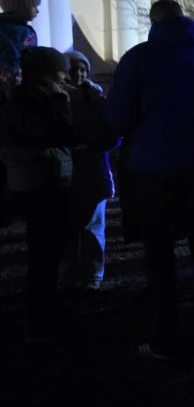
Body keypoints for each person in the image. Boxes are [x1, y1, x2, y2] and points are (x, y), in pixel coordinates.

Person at [105, 0, 194, 359]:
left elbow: (117, 116)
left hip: (154, 168)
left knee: (160, 252)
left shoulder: (138, 58)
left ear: (154, 21)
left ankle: (166, 335)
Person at [0, 47, 74, 338]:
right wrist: (60, 103)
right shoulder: (31, 104)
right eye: (60, 72)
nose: (65, 77)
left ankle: (45, 306)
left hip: (36, 180)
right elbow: (60, 134)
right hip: (39, 183)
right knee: (44, 250)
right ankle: (43, 313)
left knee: (45, 249)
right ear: (44, 76)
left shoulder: (20, 101)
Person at [60, 51, 118, 291]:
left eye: (83, 69)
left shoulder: (95, 97)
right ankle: (69, 273)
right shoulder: (59, 98)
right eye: (74, 70)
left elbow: (110, 131)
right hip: (72, 169)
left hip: (92, 167)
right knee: (68, 225)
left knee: (93, 223)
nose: (79, 74)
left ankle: (92, 272)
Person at [0, 0, 41, 102]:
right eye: (34, 6)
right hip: (16, 94)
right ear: (22, 5)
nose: (37, 11)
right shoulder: (17, 32)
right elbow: (12, 65)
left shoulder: (8, 27)